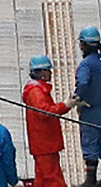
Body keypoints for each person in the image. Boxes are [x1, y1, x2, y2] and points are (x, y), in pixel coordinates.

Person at [74, 28, 101, 187]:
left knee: (90, 142)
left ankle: (90, 181)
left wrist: (79, 99)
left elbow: (83, 83)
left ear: (83, 45)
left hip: (90, 111)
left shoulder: (86, 65)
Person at [23, 54, 71, 187]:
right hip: (45, 143)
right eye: (48, 70)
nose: (50, 73)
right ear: (41, 72)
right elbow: (46, 113)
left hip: (43, 144)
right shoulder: (36, 92)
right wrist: (65, 105)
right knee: (53, 178)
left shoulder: (36, 90)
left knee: (42, 179)